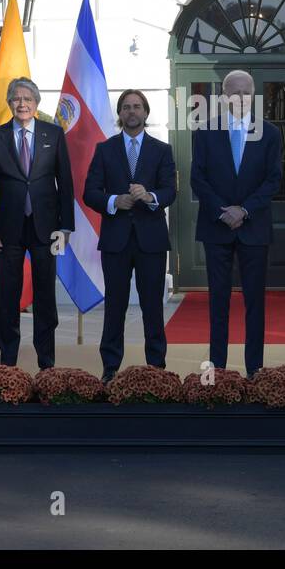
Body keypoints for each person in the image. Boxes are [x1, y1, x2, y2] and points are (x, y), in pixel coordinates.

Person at [190, 69, 281, 376]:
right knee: (218, 303)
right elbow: (197, 178)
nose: (240, 98)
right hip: (216, 229)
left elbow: (273, 180)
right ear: (224, 96)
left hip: (254, 229)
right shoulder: (204, 130)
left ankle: (255, 369)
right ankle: (219, 370)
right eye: (234, 92)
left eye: (246, 92)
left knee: (255, 304)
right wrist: (222, 211)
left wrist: (244, 210)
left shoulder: (269, 132)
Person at [0, 77, 73, 370]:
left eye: (27, 99)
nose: (22, 104)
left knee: (45, 297)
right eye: (16, 99)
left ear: (36, 104)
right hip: (7, 229)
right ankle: (8, 362)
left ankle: (47, 363)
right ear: (9, 103)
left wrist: (66, 227)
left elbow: (65, 182)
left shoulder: (54, 134)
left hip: (47, 228)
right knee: (7, 297)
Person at [83, 89, 176, 382]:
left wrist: (149, 195)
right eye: (126, 107)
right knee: (115, 306)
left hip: (151, 239)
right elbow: (90, 192)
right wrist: (113, 201)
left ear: (146, 113)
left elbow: (170, 191)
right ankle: (110, 368)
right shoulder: (104, 149)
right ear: (120, 114)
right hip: (116, 240)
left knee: (152, 307)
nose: (132, 112)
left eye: (137, 107)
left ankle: (156, 368)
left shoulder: (162, 150)